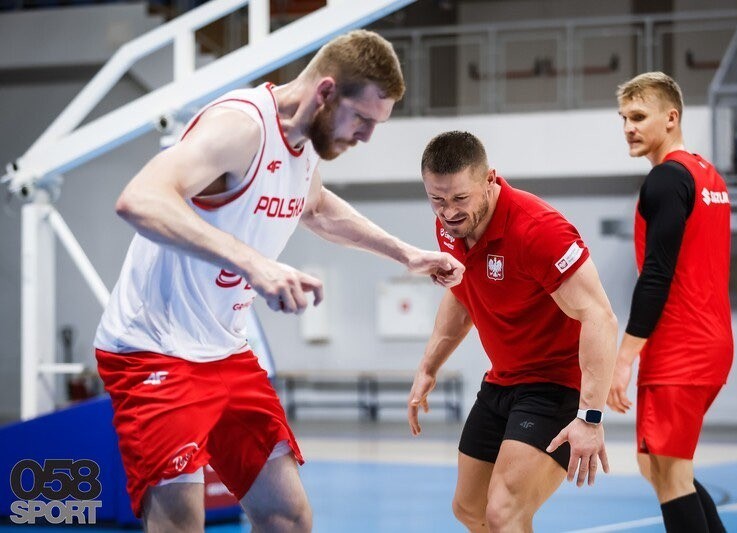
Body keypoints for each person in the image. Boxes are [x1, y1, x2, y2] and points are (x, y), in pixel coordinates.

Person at [93, 30, 465, 533]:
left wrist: (404, 253)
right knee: (181, 522)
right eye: (362, 119)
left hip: (223, 350)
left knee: (288, 517)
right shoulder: (240, 127)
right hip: (153, 348)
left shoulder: (306, 144)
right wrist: (253, 263)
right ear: (325, 92)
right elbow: (139, 199)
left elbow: (315, 207)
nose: (365, 137)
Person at [407, 131, 618, 532]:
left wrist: (590, 416)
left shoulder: (538, 230)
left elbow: (600, 317)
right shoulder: (449, 230)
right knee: (469, 508)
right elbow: (462, 295)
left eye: (459, 199)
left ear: (489, 180)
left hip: (555, 385)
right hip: (502, 382)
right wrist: (429, 366)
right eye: (437, 200)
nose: (448, 212)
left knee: (504, 512)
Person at [607, 72, 733, 533]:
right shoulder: (708, 175)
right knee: (657, 467)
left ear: (671, 117)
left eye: (639, 117)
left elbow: (657, 274)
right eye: (623, 118)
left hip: (680, 346)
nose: (628, 127)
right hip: (710, 341)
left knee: (670, 473)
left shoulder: (665, 180)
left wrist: (623, 359)